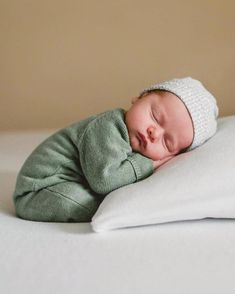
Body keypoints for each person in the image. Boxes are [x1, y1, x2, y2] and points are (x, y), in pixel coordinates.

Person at [13, 77, 219, 223]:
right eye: (155, 116)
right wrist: (149, 163)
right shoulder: (108, 127)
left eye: (167, 142)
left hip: (65, 182)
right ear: (140, 97)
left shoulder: (134, 138)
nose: (154, 133)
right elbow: (105, 180)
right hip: (40, 188)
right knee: (99, 205)